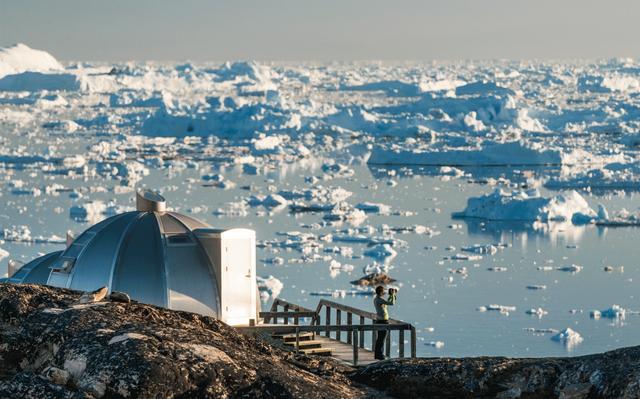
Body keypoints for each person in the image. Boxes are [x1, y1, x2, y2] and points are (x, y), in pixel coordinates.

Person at [373, 285, 397, 360]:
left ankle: (378, 354)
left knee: (380, 338)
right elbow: (392, 303)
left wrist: (391, 296)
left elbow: (388, 302)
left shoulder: (377, 299)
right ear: (380, 292)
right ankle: (380, 355)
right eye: (383, 291)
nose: (384, 292)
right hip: (383, 321)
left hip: (380, 320)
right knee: (381, 339)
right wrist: (392, 295)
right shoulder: (379, 299)